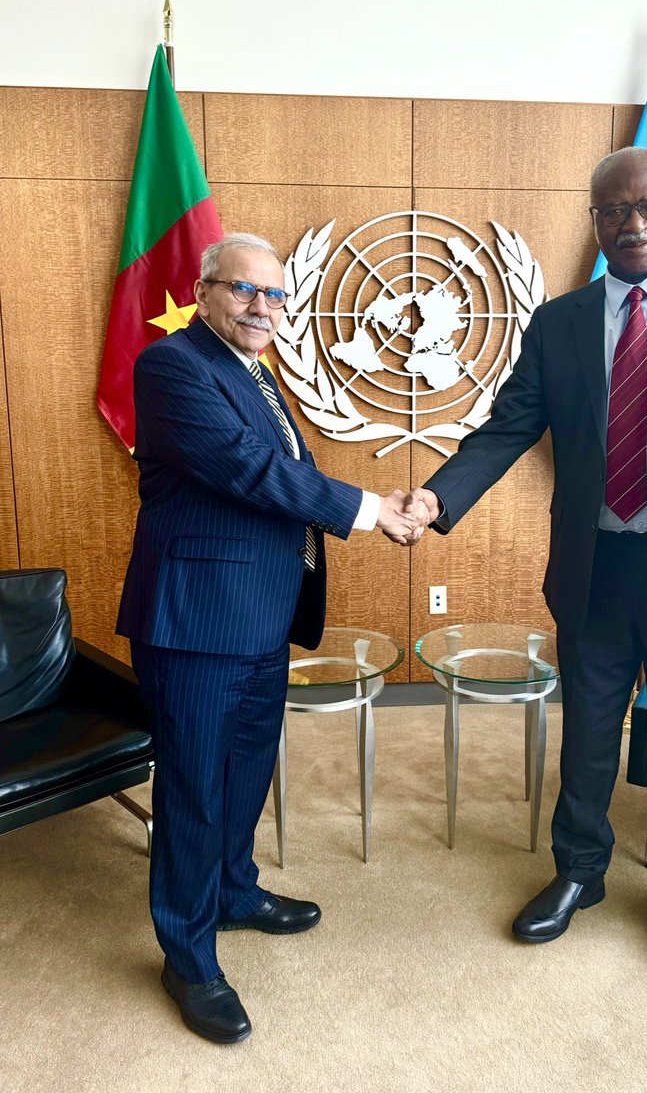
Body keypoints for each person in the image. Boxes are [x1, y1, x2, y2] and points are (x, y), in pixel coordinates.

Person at [399, 147, 647, 984]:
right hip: (592, 566)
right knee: (584, 736)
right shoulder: (559, 322)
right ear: (594, 221)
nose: (633, 224)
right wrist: (436, 498)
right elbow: (508, 427)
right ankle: (578, 870)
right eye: (613, 211)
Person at [117, 232, 427, 1042]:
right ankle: (185, 956)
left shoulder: (253, 369)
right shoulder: (173, 365)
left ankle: (232, 890)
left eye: (276, 294)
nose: (263, 307)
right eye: (244, 291)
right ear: (203, 291)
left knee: (247, 767)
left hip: (257, 612)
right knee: (191, 787)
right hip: (193, 621)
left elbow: (265, 473)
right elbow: (244, 465)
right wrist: (368, 509)